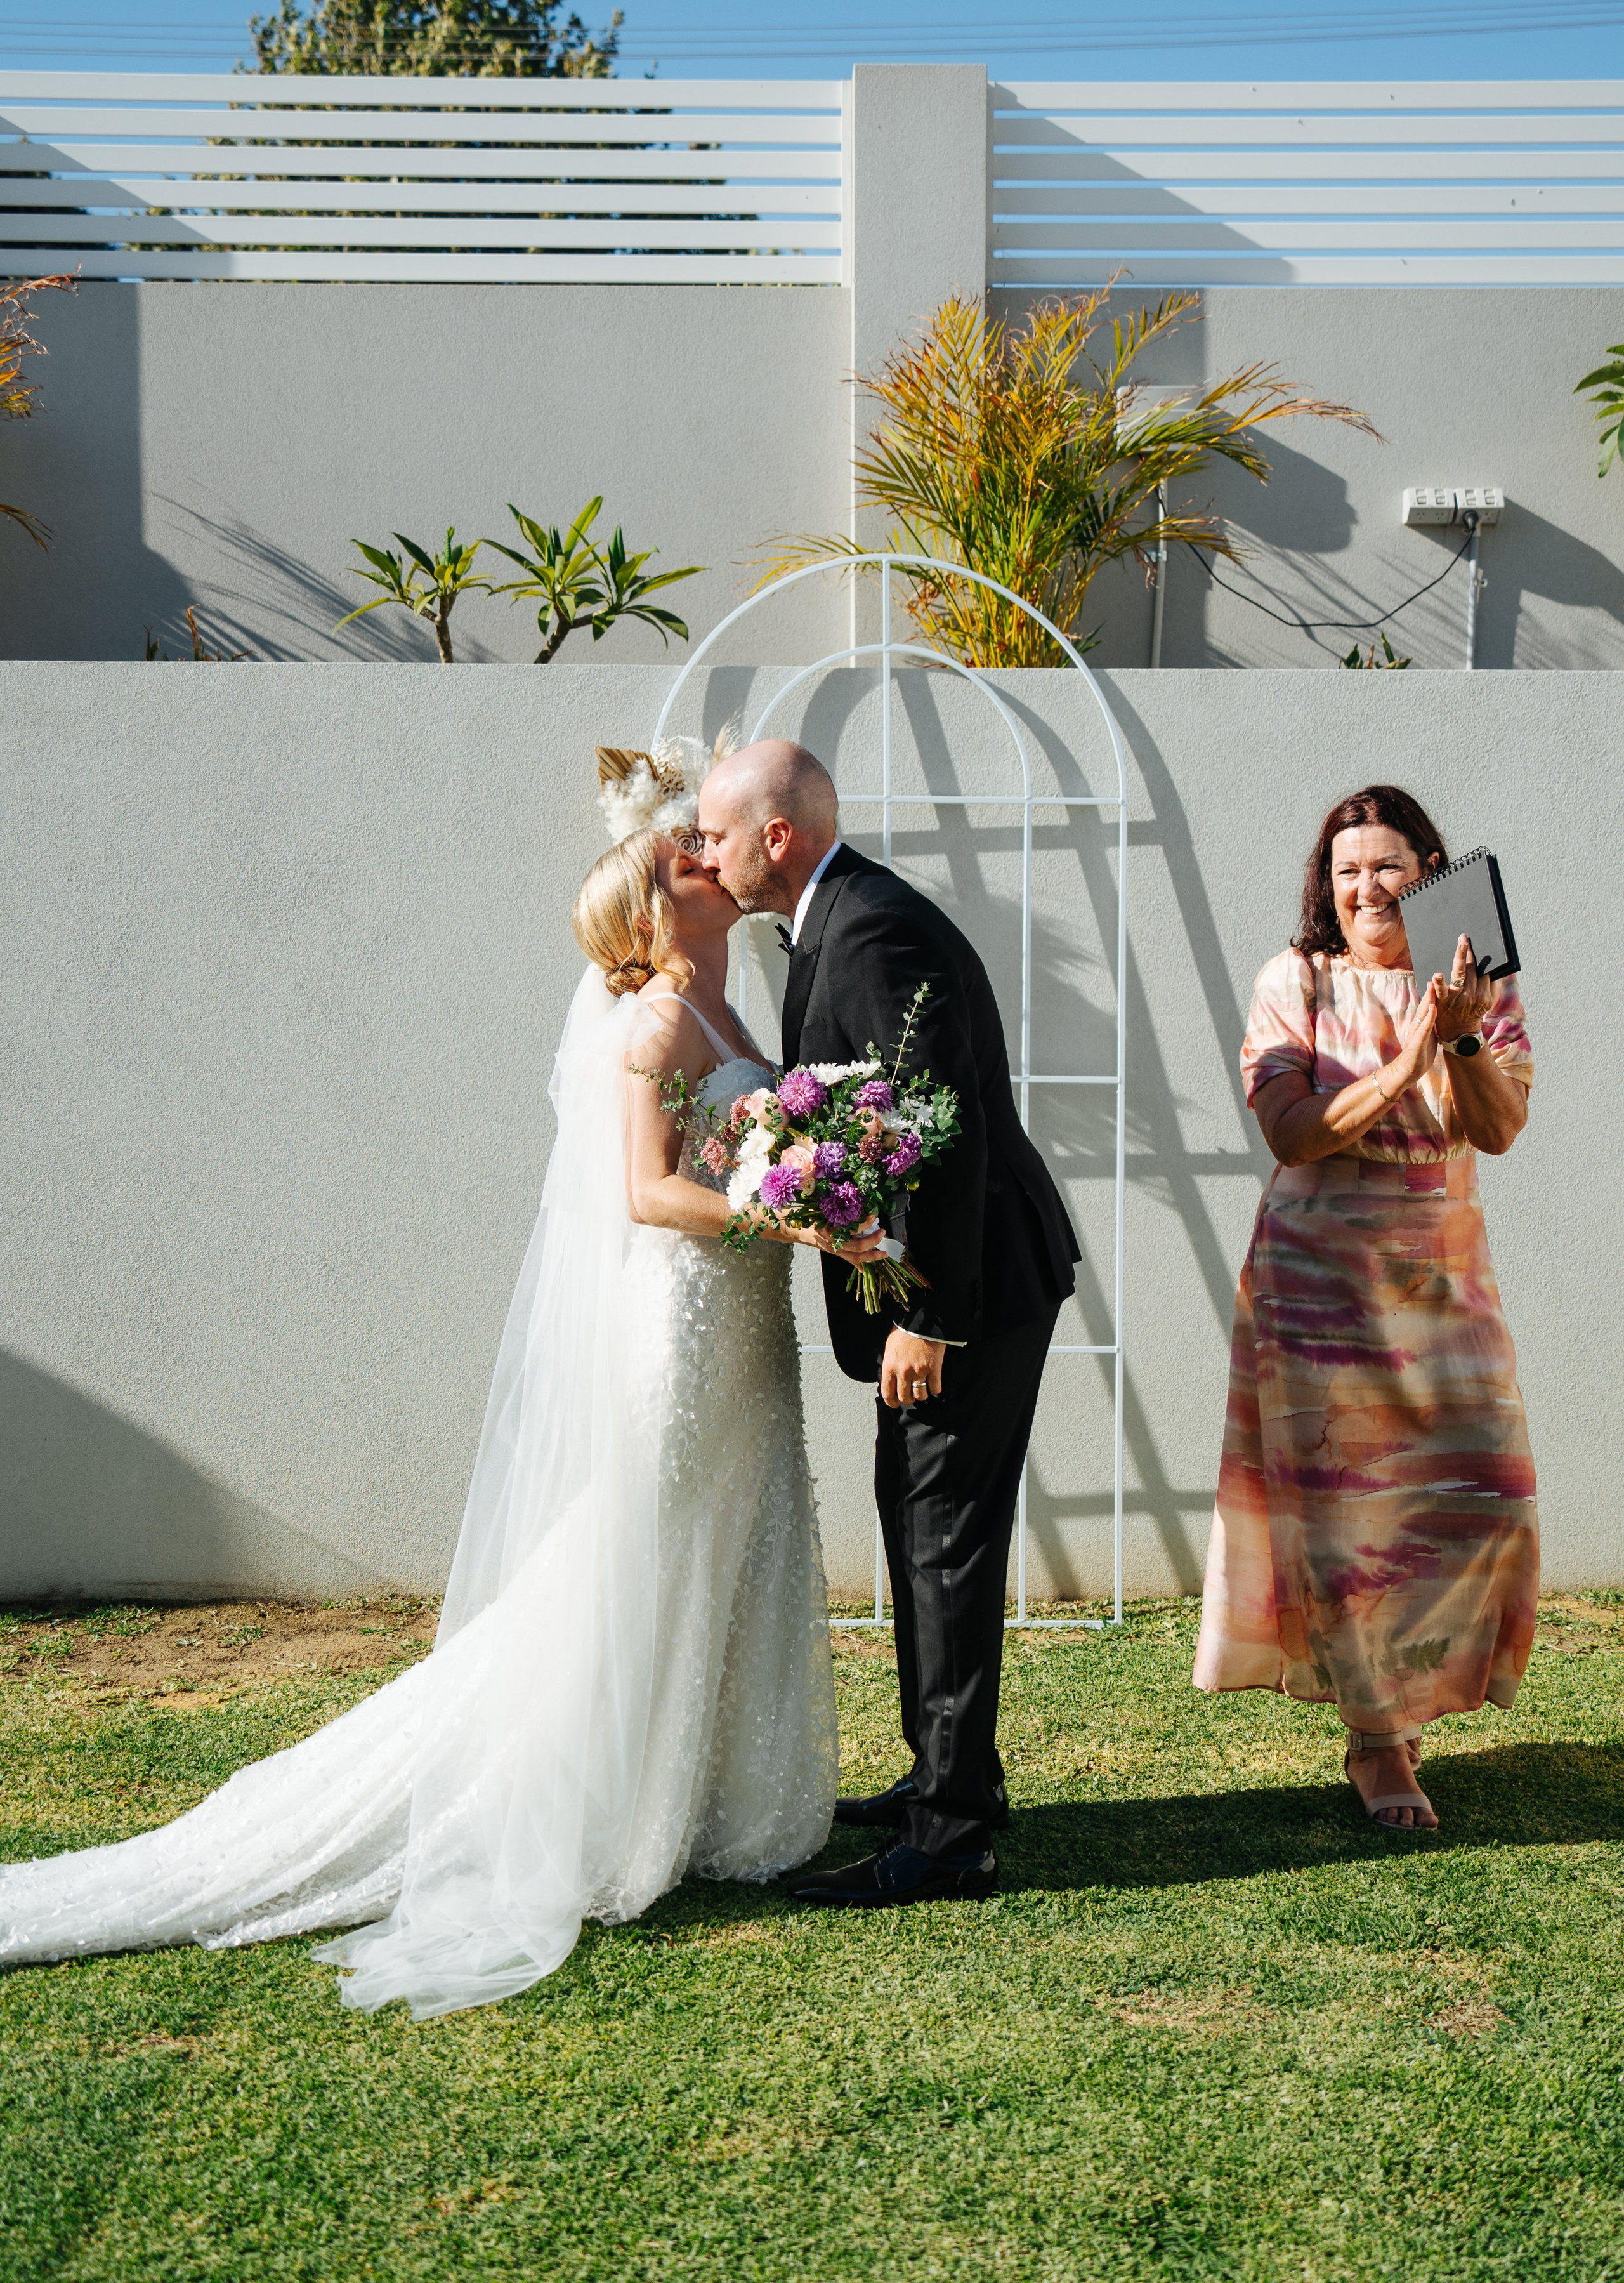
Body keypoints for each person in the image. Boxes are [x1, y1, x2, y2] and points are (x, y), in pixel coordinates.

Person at [0, 738, 887, 2017]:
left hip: (742, 1329)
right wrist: (786, 1217)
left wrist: (801, 1165)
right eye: (683, 854)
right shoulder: (649, 1019)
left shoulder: (724, 1002)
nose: (705, 856)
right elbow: (646, 1192)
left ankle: (709, 1802)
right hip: (686, 1325)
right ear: (660, 901)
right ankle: (583, 1807)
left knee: (733, 1540)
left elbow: (742, 1133)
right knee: (639, 1554)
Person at [699, 740, 1081, 1907]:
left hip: (967, 1298)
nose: (703, 856)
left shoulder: (870, 928)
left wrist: (929, 1320)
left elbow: (940, 1134)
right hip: (957, 1291)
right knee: (923, 1529)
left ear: (778, 838)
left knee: (943, 1544)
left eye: (716, 835)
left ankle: (953, 1836)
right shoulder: (842, 916)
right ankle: (947, 1778)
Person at [1194, 784, 1537, 1834]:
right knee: (1351, 1529)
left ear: (1431, 872)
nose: (1366, 887)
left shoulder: (1481, 993)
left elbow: (1502, 1128)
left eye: (1387, 866)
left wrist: (1464, 1038)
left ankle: (1405, 1700)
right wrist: (1411, 1054)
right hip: (1318, 1292)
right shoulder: (1293, 981)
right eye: (1346, 871)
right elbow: (1294, 1135)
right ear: (1324, 890)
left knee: (1485, 1498)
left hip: (1441, 1281)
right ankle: (1379, 1743)